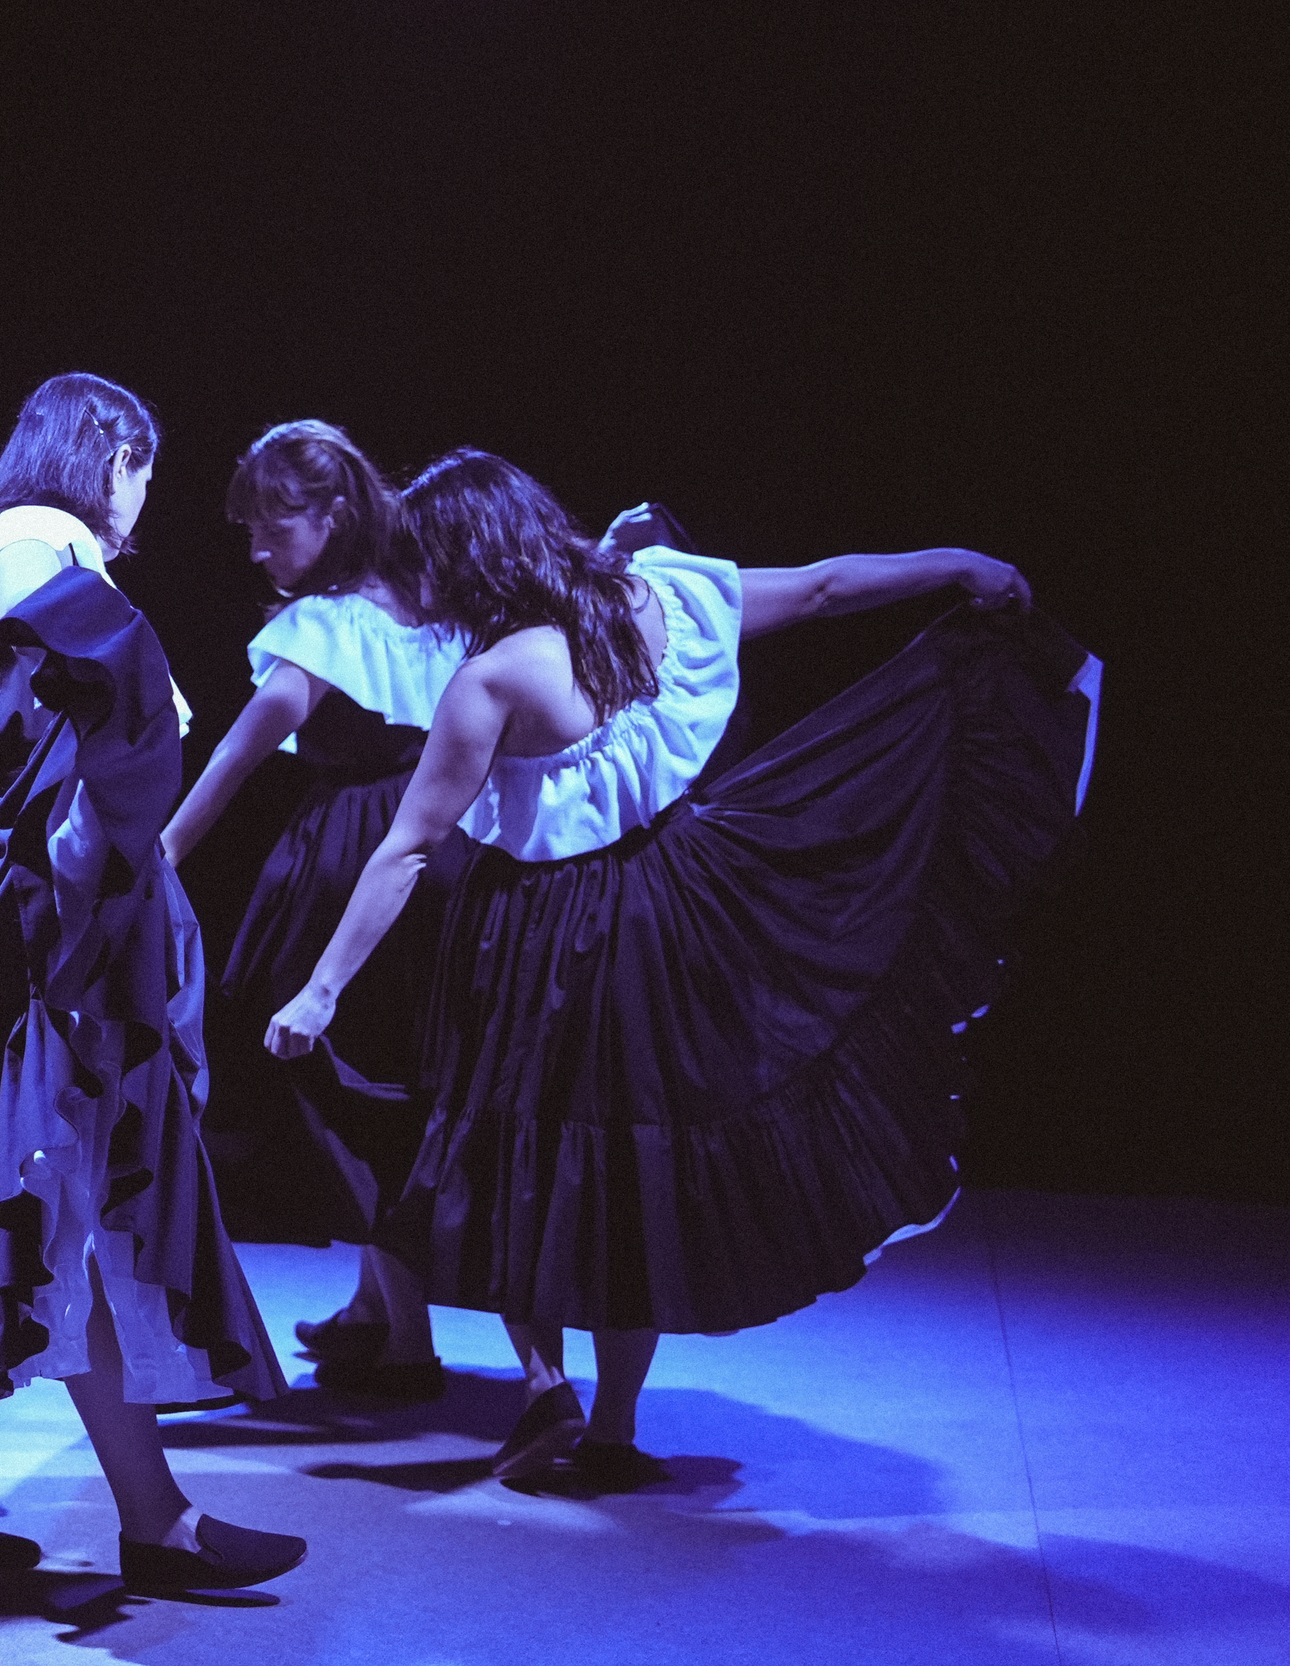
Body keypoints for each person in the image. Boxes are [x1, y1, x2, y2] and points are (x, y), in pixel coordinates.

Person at [267, 450, 1100, 1493]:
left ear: (462, 561)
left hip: (535, 932)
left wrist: (322, 986)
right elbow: (827, 587)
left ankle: (543, 1385)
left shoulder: (491, 676)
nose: (414, 590)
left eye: (420, 566)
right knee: (629, 1164)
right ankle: (611, 1427)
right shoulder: (658, 597)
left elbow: (407, 844)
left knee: (508, 1152)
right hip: (661, 911)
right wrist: (955, 563)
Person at [0, 374, 306, 1592]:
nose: (148, 495)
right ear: (115, 452)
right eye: (145, 468)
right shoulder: (40, 540)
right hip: (12, 904)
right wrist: (99, 842)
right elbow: (109, 670)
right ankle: (154, 1521)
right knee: (63, 1195)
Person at [159, 420, 469, 1399]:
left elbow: (234, 754)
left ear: (332, 514)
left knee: (344, 1076)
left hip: (353, 854)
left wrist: (164, 853)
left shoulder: (325, 627)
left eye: (270, 526)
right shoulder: (428, 603)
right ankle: (375, 1307)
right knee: (388, 1074)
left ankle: (407, 1341)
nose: (257, 550)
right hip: (441, 849)